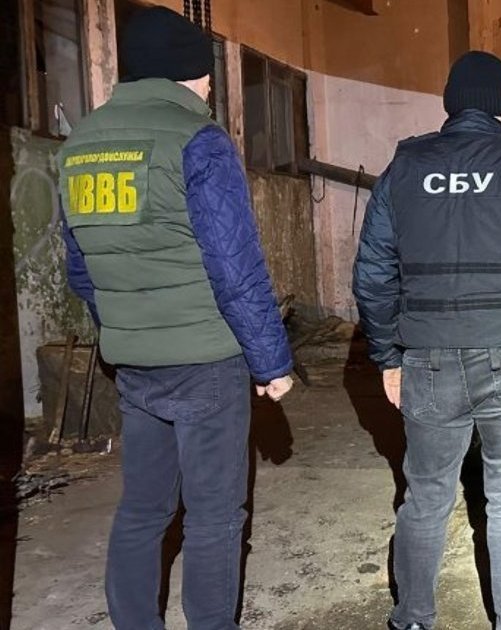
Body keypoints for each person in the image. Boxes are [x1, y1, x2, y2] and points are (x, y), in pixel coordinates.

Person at [58, 7, 294, 629]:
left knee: (143, 509)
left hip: (133, 361)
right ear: (186, 73)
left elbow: (79, 266)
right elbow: (233, 263)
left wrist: (126, 324)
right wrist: (271, 361)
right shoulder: (197, 139)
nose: (212, 85)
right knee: (214, 514)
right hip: (205, 360)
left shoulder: (79, 145)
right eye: (207, 73)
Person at [352, 51, 501, 630]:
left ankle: (413, 617)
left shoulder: (406, 167)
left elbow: (372, 274)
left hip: (429, 360)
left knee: (426, 494)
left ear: (451, 104)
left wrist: (387, 355)